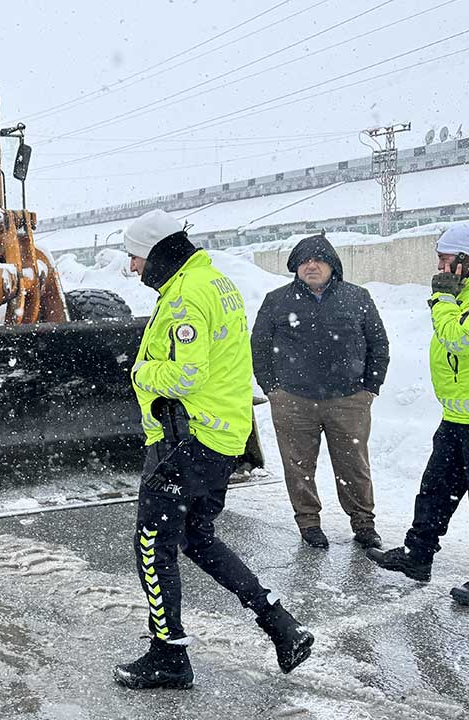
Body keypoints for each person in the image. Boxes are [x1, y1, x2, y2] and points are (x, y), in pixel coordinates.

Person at [114, 209, 314, 690]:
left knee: (152, 544)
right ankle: (280, 625)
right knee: (196, 537)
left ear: (159, 252)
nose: (134, 268)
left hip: (187, 441)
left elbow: (187, 374)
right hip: (218, 436)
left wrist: (141, 373)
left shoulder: (185, 297)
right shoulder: (212, 281)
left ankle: (168, 656)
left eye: (137, 258)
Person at [368, 224, 469, 606]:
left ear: (465, 260)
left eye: (445, 260)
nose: (439, 269)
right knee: (436, 488)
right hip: (460, 414)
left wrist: (442, 302)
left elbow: (459, 338)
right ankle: (418, 554)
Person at [251, 233, 390, 550]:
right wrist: (272, 389)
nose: (311, 266)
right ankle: (309, 523)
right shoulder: (277, 301)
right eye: (304, 261)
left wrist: (370, 388)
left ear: (332, 265)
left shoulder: (357, 298)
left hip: (349, 399)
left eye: (318, 260)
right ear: (296, 267)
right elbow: (259, 347)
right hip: (293, 401)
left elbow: (378, 345)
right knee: (298, 466)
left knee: (353, 465)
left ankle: (364, 524)